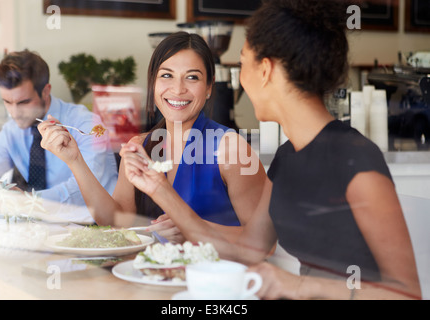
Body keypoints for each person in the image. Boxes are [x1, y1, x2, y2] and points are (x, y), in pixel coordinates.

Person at [122, 0, 422, 299]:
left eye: (242, 63)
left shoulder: (355, 158)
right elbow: (248, 250)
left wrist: (299, 286)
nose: (241, 78)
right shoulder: (287, 158)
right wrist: (159, 189)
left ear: (265, 70)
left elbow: (406, 294)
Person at [38, 32, 266, 242]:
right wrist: (74, 160)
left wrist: (192, 229)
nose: (177, 89)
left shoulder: (231, 149)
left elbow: (262, 243)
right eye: (167, 75)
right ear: (153, 83)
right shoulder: (140, 145)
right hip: (154, 277)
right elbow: (116, 223)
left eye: (192, 77)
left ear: (208, 87)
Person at [0, 50, 118, 216]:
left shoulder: (87, 125)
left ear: (46, 91)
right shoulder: (11, 131)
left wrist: (30, 200)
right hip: (44, 228)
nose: (14, 112)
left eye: (23, 102)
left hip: (95, 226)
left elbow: (88, 189)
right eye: (7, 102)